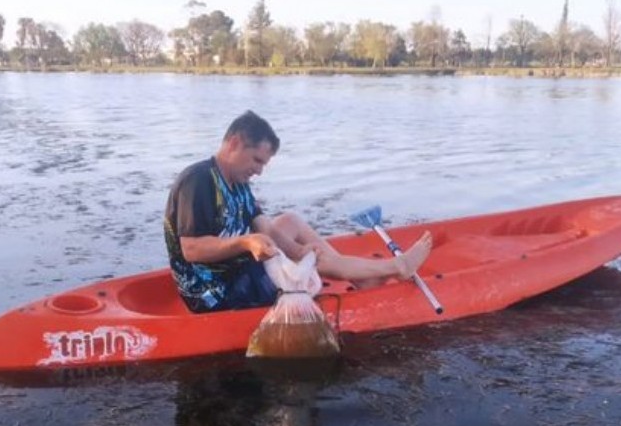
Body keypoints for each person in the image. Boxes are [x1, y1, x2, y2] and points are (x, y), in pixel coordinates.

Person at [164, 110, 432, 313]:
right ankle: (397, 266)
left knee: (290, 222)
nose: (259, 170)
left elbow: (265, 228)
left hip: (234, 270)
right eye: (257, 160)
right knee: (300, 260)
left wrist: (299, 250)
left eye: (263, 164)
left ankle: (362, 279)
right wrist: (246, 242)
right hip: (214, 293)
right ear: (233, 143)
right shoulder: (199, 180)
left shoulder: (239, 184)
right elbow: (192, 249)